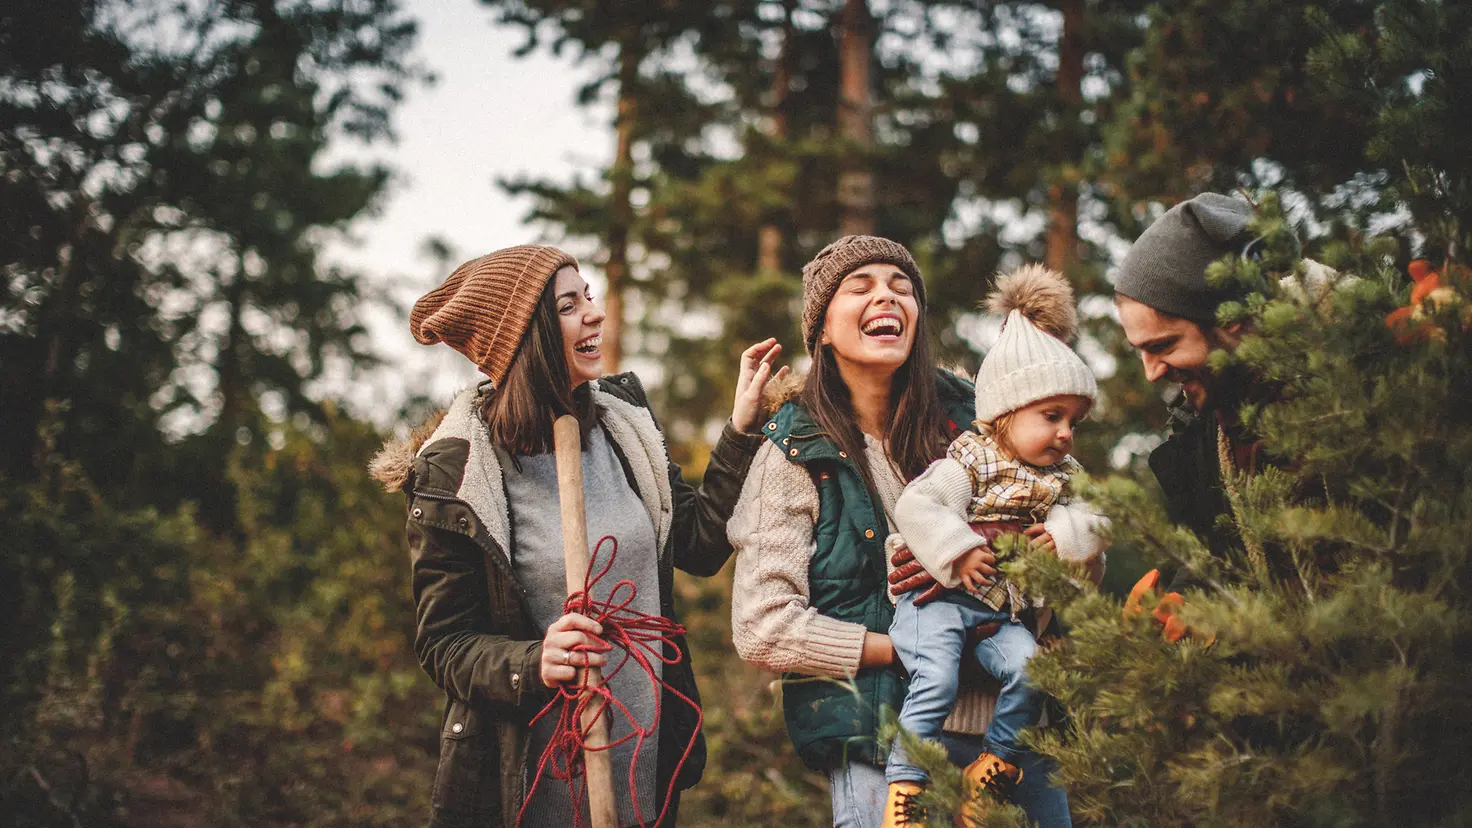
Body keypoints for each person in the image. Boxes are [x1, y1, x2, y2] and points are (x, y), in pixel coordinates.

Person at [369, 245, 781, 828]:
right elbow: (445, 644)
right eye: (569, 305)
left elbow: (697, 543)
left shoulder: (623, 425)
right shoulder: (456, 474)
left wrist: (740, 429)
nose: (595, 313)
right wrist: (537, 659)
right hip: (528, 785)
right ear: (523, 336)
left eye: (588, 296)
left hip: (643, 765)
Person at [728, 236, 1073, 828]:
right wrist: (912, 649)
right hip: (883, 748)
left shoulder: (990, 426)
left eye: (901, 287)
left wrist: (1055, 551)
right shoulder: (792, 453)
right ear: (823, 332)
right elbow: (763, 627)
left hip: (1015, 739)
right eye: (860, 288)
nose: (885, 296)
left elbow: (1068, 540)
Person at [881, 265, 1108, 825]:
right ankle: (905, 787)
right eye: (1051, 416)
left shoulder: (1060, 477)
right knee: (935, 678)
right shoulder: (971, 459)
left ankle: (993, 767)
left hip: (1001, 612)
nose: (1064, 433)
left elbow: (1099, 519)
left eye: (1073, 422)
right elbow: (917, 505)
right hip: (936, 603)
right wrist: (957, 547)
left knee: (1032, 669)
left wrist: (1063, 535)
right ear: (1005, 415)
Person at [1111, 192, 1264, 625]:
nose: (1152, 373)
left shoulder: (1348, 404)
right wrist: (1179, 602)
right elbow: (1225, 561)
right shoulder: (1205, 435)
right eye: (1139, 351)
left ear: (1231, 319)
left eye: (1163, 346)